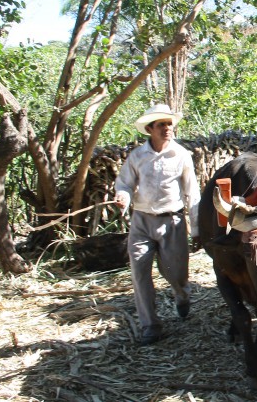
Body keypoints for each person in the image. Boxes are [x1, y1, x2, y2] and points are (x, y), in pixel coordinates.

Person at [114, 104, 201, 345]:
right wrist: (123, 197)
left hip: (172, 221)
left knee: (176, 273)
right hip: (141, 222)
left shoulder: (181, 155)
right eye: (161, 124)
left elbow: (192, 193)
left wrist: (196, 229)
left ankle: (182, 294)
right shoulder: (137, 156)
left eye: (169, 124)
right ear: (150, 129)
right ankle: (150, 325)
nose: (167, 128)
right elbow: (124, 184)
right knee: (140, 273)